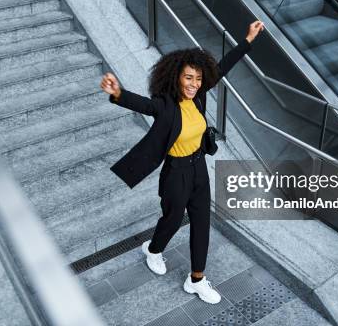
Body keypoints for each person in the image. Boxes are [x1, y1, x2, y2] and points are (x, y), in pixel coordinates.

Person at [100, 20, 264, 304]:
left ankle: (196, 279)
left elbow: (222, 68)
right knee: (173, 220)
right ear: (177, 77)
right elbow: (143, 104)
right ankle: (152, 249)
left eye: (198, 79)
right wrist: (117, 93)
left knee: (202, 222)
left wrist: (247, 40)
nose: (194, 84)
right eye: (189, 78)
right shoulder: (164, 105)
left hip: (199, 168)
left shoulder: (198, 97)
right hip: (176, 172)